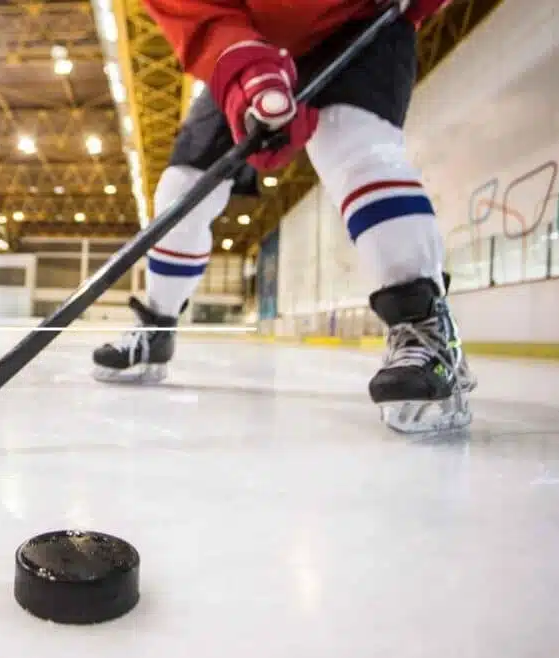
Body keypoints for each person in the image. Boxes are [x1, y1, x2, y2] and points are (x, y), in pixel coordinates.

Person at [91, 0, 476, 433]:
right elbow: (196, 12)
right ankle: (156, 328)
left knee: (354, 144)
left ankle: (423, 326)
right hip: (249, 40)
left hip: (360, 20)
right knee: (182, 187)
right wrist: (249, 76)